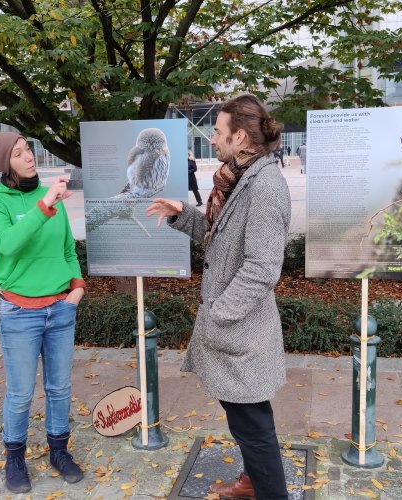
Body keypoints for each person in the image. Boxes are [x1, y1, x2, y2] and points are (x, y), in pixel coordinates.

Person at [147, 94, 290, 499]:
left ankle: (269, 492)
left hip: (242, 332)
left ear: (241, 137)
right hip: (234, 331)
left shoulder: (264, 187)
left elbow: (262, 268)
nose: (212, 139)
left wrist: (219, 313)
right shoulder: (238, 177)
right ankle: (251, 482)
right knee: (244, 419)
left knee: (254, 425)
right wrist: (182, 214)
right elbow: (221, 242)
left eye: (218, 132)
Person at [0, 132, 86, 491]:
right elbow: (8, 243)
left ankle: (59, 451)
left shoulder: (48, 196)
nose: (29, 158)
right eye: (19, 153)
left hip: (60, 309)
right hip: (19, 312)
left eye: (29, 150)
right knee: (21, 392)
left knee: (58, 388)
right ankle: (15, 458)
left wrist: (77, 289)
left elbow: (68, 248)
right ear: (2, 163)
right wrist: (44, 207)